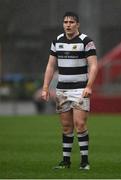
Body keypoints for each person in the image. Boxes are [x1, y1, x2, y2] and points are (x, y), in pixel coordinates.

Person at [41, 11, 98, 170]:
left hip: (80, 89)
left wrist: (89, 86)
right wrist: (45, 87)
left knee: (80, 124)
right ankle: (65, 162)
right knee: (66, 127)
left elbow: (93, 65)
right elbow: (51, 66)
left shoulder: (86, 41)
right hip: (62, 91)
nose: (68, 25)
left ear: (77, 24)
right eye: (65, 22)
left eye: (71, 22)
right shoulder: (57, 41)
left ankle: (85, 161)